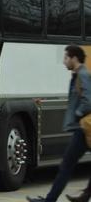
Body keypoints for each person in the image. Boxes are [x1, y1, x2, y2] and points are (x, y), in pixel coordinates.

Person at [26, 45, 91, 202]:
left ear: (74, 58)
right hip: (83, 128)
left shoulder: (83, 75)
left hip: (83, 129)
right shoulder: (78, 76)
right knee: (67, 166)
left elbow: (89, 101)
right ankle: (85, 196)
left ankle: (50, 200)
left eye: (66, 58)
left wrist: (77, 115)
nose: (64, 62)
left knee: (66, 166)